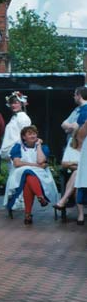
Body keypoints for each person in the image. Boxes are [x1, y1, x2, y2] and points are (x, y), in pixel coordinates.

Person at [3, 125, 59, 225]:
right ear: (24, 137)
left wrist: (38, 145)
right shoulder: (18, 147)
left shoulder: (43, 147)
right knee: (27, 172)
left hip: (40, 175)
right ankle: (40, 196)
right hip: (19, 174)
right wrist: (34, 165)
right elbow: (17, 163)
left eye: (34, 134)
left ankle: (28, 214)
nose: (33, 136)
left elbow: (41, 161)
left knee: (28, 179)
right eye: (29, 134)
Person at [55, 86, 87, 222]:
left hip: (80, 166)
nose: (74, 97)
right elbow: (64, 124)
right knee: (78, 174)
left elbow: (72, 127)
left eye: (75, 94)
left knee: (78, 174)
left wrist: (73, 127)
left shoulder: (84, 110)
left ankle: (64, 201)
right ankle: (78, 213)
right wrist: (72, 127)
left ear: (79, 95)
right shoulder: (77, 110)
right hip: (78, 166)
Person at [0, 91, 31, 164]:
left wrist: (18, 151)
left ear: (21, 104)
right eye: (12, 103)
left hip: (17, 152)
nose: (13, 105)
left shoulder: (23, 118)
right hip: (11, 152)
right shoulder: (14, 117)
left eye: (16, 103)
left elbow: (26, 137)